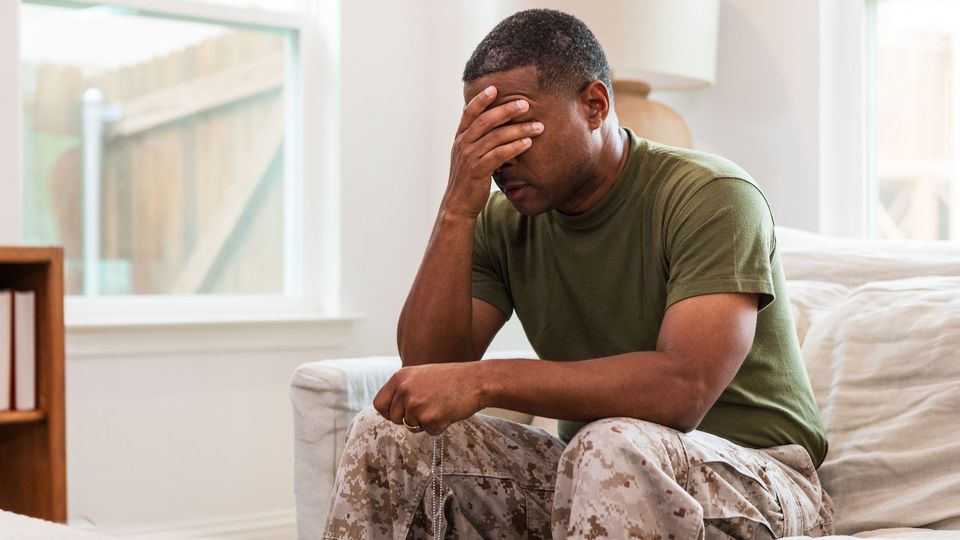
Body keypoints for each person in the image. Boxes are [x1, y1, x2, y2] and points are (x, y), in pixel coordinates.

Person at [324, 8, 834, 539]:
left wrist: (485, 380)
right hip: (595, 471)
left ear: (595, 105)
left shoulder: (711, 195)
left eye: (517, 126)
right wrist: (456, 209)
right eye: (483, 131)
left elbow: (682, 389)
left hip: (762, 480)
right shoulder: (501, 221)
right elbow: (428, 373)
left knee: (610, 444)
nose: (500, 156)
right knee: (389, 433)